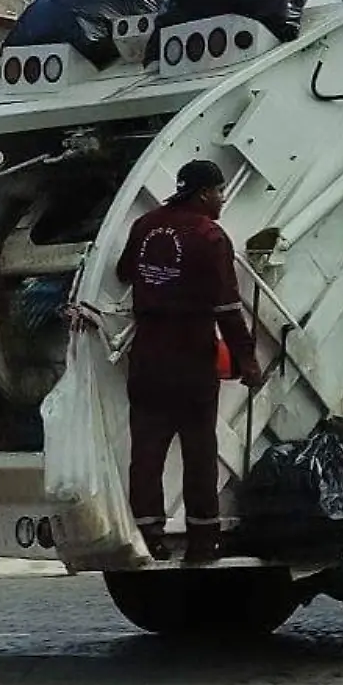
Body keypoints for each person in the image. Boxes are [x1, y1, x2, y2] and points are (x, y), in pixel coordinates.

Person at [116, 159, 264, 562]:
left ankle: (148, 536)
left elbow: (124, 270)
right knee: (199, 452)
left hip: (147, 358)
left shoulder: (145, 225)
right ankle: (202, 542)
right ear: (203, 194)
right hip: (191, 360)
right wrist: (247, 361)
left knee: (146, 453)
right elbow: (228, 307)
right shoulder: (209, 235)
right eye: (218, 192)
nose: (221, 199)